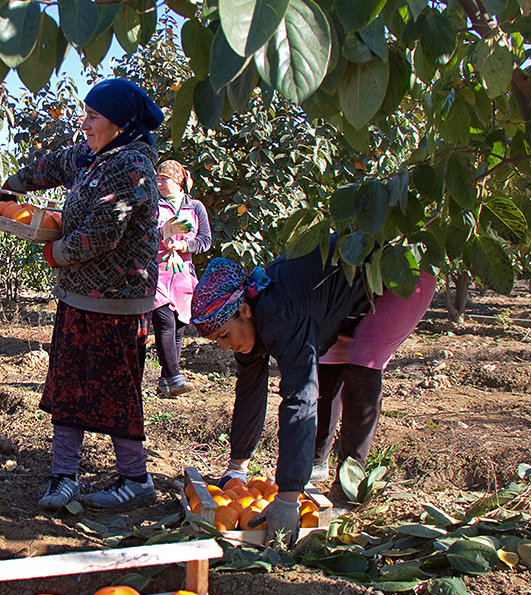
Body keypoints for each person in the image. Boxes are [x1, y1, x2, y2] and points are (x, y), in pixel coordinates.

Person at [0, 79, 164, 511]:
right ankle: (63, 477)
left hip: (117, 303)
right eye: (85, 113)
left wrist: (56, 252)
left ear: (120, 124)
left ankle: (136, 479)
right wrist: (14, 185)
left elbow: (102, 234)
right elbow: (53, 164)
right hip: (79, 297)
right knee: (67, 385)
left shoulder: (131, 167)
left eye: (93, 116)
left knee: (116, 390)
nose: (84, 123)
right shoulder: (92, 157)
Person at [189, 241, 370, 541]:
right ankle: (314, 467)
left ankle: (350, 487)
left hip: (386, 279)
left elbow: (300, 398)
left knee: (363, 364)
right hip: (334, 302)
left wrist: (286, 500)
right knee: (326, 364)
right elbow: (249, 391)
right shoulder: (253, 317)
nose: (225, 347)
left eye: (224, 336)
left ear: (244, 310)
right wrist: (237, 469)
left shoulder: (283, 317)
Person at [311, 273, 438, 485]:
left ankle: (349, 482)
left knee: (364, 358)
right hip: (354, 274)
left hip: (404, 273)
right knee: (328, 355)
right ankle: (315, 463)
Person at [152, 160, 212, 397]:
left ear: (178, 181)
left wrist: (185, 243)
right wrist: (161, 233)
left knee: (177, 327)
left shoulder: (195, 207)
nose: (159, 183)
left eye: (164, 179)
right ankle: (175, 377)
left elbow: (205, 240)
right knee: (164, 321)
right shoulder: (153, 206)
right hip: (156, 272)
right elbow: (143, 234)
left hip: (182, 274)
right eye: (157, 179)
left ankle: (166, 382)